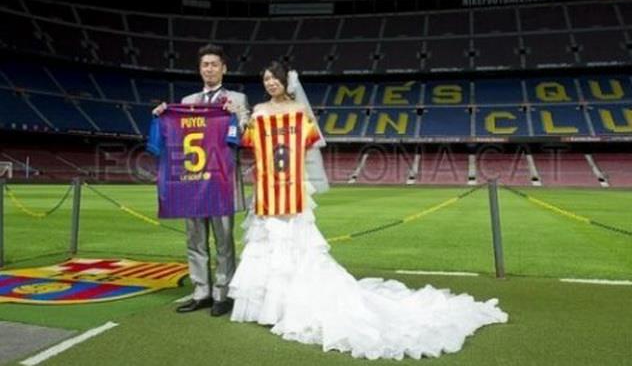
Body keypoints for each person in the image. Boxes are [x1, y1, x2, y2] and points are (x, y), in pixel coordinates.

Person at [228, 61, 508, 360]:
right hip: (266, 188)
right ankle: (269, 305)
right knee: (267, 244)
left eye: (275, 78)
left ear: (285, 81)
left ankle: (286, 304)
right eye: (266, 79)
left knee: (295, 245)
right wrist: (239, 116)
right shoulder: (259, 111)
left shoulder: (299, 111)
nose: (270, 83)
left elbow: (309, 142)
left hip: (292, 188)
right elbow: (248, 142)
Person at [153, 43, 249, 316]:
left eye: (214, 64)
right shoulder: (186, 102)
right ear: (200, 69)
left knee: (224, 241)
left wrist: (236, 114)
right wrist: (162, 116)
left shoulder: (237, 99)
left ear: (223, 68)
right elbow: (175, 135)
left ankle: (223, 293)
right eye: (205, 64)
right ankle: (201, 291)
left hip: (221, 182)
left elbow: (245, 133)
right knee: (194, 239)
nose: (209, 69)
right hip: (192, 182)